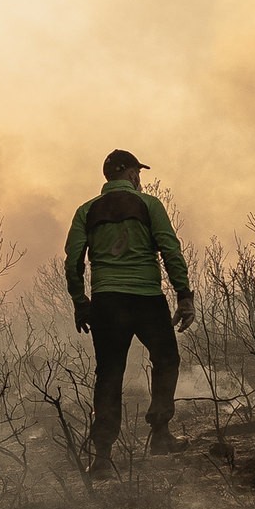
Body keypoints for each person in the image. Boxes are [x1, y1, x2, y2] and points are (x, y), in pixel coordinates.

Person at [64, 149, 194, 472]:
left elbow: (72, 262)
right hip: (146, 298)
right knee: (166, 360)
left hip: (106, 302)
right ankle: (161, 434)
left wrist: (82, 304)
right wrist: (184, 295)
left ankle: (103, 457)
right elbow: (170, 249)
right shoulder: (149, 205)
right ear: (132, 174)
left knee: (108, 373)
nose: (140, 179)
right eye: (139, 173)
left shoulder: (86, 211)